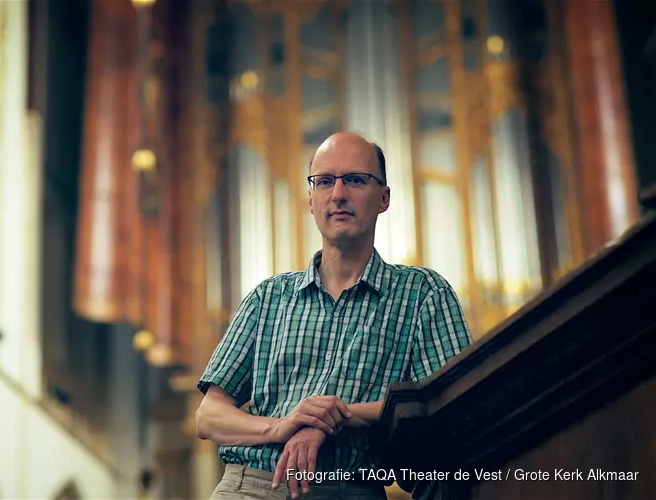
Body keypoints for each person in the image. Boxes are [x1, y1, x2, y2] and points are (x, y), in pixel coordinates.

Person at [195, 132, 473, 499]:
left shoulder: (421, 293)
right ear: (311, 200)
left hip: (348, 488)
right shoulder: (268, 298)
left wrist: (332, 419)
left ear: (384, 198)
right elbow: (208, 416)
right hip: (250, 486)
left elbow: (448, 399)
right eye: (324, 181)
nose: (338, 194)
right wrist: (283, 426)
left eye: (355, 180)